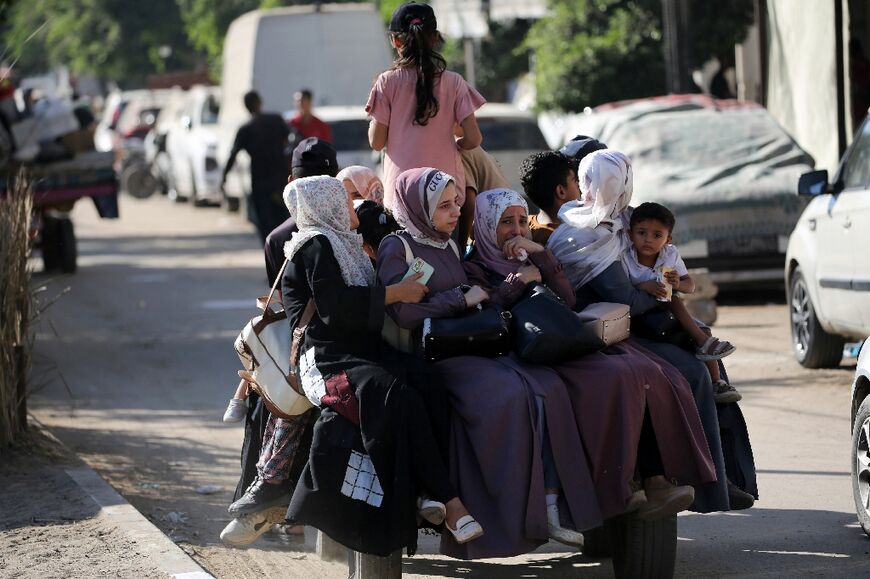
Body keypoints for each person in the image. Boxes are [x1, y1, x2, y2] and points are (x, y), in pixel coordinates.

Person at [378, 168, 607, 558]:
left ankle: (549, 505)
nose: (455, 214)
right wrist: (459, 300)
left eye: (456, 204)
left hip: (476, 348)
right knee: (509, 396)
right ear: (419, 208)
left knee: (548, 388)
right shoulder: (397, 246)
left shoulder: (448, 246)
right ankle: (499, 514)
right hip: (439, 356)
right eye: (444, 206)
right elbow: (402, 313)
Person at [464, 187, 717, 522]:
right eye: (506, 222)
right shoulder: (474, 266)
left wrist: (538, 253)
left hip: (563, 342)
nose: (517, 230)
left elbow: (566, 299)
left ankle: (654, 479)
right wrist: (518, 282)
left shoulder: (534, 253)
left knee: (641, 372)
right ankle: (615, 489)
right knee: (612, 380)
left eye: (522, 221)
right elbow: (489, 310)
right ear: (484, 226)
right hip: (524, 353)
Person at [542, 149, 758, 512]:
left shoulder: (624, 221)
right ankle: (704, 483)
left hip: (640, 327)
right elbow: (627, 299)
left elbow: (663, 268)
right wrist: (657, 290)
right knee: (692, 373)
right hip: (607, 333)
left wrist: (661, 285)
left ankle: (723, 477)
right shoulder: (583, 233)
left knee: (709, 368)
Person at [282, 174, 483, 554]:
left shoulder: (344, 244)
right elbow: (335, 307)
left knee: (428, 380)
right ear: (324, 205)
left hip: (360, 350)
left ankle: (426, 493)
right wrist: (398, 292)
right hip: (326, 358)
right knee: (392, 395)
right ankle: (449, 501)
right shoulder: (315, 245)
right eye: (343, 199)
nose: (350, 205)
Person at [220, 138, 339, 547]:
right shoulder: (346, 229)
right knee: (275, 402)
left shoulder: (284, 238)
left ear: (291, 183)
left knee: (272, 405)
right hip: (318, 346)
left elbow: (293, 309)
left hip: (307, 350)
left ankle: (272, 501)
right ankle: (274, 502)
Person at [365, 1, 484, 215]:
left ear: (395, 40)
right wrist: (456, 146)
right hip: (445, 195)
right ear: (435, 38)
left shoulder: (387, 82)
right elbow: (474, 139)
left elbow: (376, 142)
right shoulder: (454, 82)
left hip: (401, 195)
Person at [624, 201, 741, 403]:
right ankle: (705, 344)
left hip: (667, 309)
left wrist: (678, 282)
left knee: (703, 329)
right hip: (641, 314)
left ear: (668, 239)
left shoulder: (670, 254)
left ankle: (717, 383)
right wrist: (645, 287)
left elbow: (690, 285)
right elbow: (623, 289)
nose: (648, 240)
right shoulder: (626, 257)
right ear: (629, 233)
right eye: (641, 232)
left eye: (657, 235)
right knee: (677, 304)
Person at [221, 90, 291, 244]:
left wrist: (224, 177)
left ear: (246, 107)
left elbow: (233, 154)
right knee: (282, 217)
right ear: (260, 102)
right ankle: (284, 248)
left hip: (260, 182)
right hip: (280, 179)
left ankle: (270, 249)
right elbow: (290, 142)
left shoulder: (246, 128)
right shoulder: (276, 120)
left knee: (264, 221)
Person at [457, 144, 510, 248]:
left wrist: (460, 248)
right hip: (509, 230)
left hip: (500, 236)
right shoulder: (475, 150)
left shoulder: (459, 149)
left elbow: (469, 207)